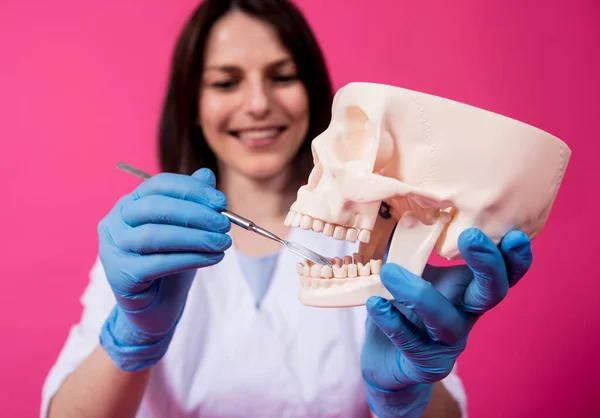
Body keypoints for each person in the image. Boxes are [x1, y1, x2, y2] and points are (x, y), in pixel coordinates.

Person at [41, 0, 533, 417]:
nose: (258, 104)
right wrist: (129, 340)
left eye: (282, 76)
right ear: (192, 103)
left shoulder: (376, 234)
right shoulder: (149, 243)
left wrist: (409, 392)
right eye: (226, 82)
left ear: (312, 91)